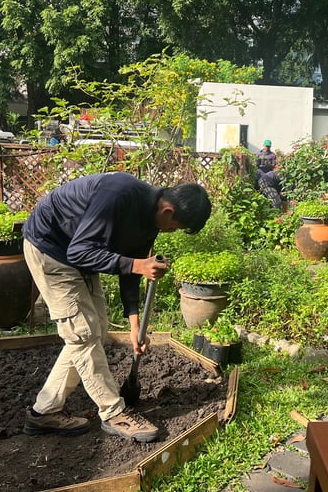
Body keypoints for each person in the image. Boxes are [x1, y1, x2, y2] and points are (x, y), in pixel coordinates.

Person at [21, 172, 211, 442]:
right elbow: (81, 250)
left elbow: (132, 272)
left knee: (93, 331)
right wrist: (138, 265)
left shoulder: (151, 221)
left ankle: (45, 412)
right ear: (168, 210)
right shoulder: (119, 193)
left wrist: (135, 326)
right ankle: (114, 412)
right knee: (83, 333)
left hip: (76, 253)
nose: (171, 232)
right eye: (175, 227)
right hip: (50, 247)